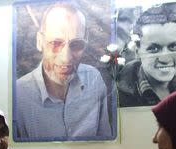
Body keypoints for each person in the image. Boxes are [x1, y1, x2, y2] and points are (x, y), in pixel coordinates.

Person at [14, 2, 112, 141]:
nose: (66, 58)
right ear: (39, 41)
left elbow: (106, 141)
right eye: (55, 43)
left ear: (86, 41)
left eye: (76, 44)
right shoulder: (19, 95)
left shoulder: (94, 79)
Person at [118, 3, 176, 107]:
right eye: (154, 48)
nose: (165, 58)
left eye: (173, 46)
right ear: (137, 52)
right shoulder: (119, 94)